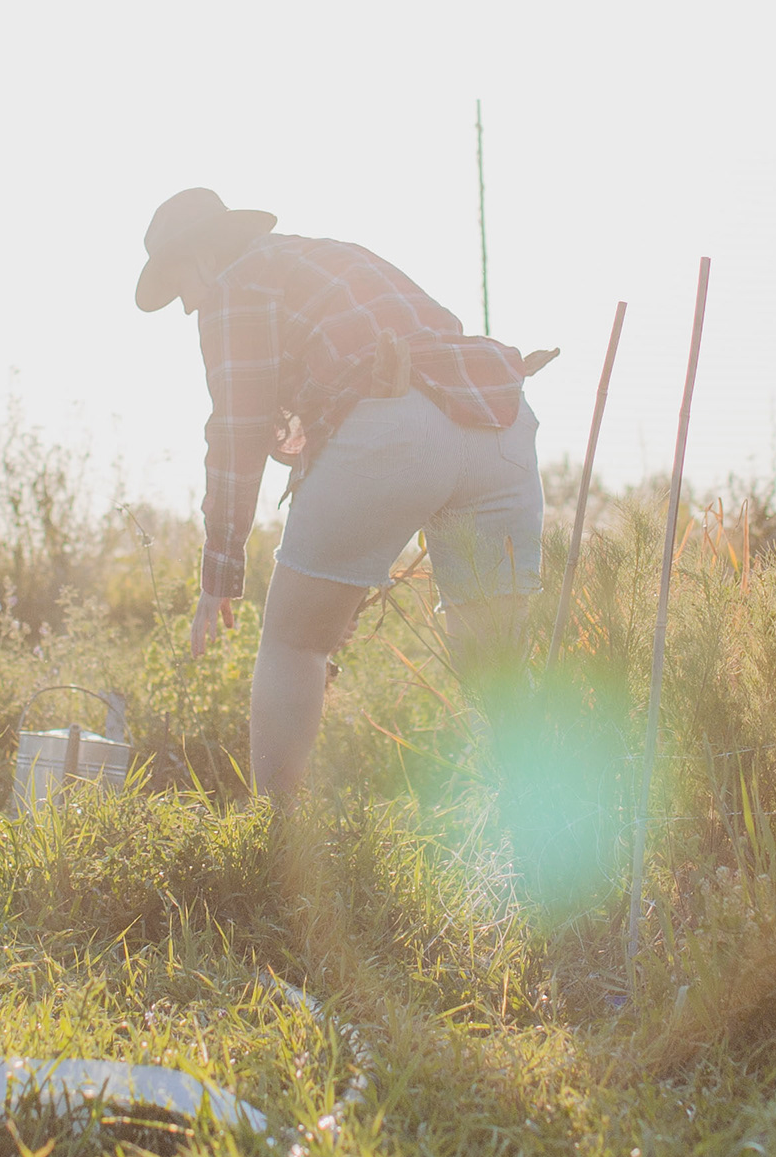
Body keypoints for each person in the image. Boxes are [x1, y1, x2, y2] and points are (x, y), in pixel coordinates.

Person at [134, 187, 540, 803]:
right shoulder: (330, 256)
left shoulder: (234, 286)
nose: (187, 305)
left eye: (179, 286)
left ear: (201, 257)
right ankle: (540, 818)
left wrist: (219, 571)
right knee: (496, 662)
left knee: (295, 642)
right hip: (498, 419)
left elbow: (238, 431)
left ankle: (274, 834)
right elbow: (437, 333)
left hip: (394, 423)